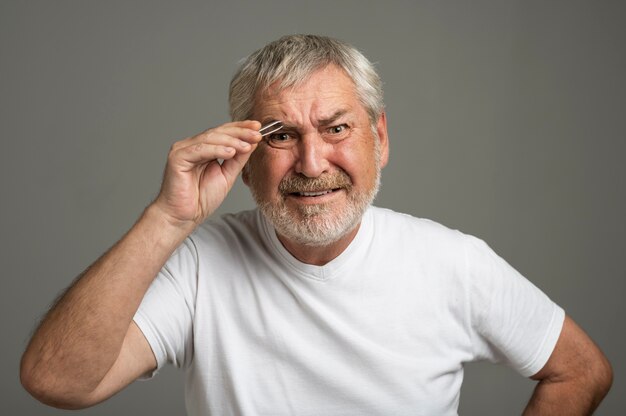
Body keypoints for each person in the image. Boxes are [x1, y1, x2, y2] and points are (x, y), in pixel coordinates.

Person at [20, 34, 612, 415]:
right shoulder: (200, 263)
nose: (311, 163)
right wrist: (166, 217)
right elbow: (58, 382)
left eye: (336, 129)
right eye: (279, 136)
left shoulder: (453, 263)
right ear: (244, 155)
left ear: (378, 138)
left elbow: (581, 372)